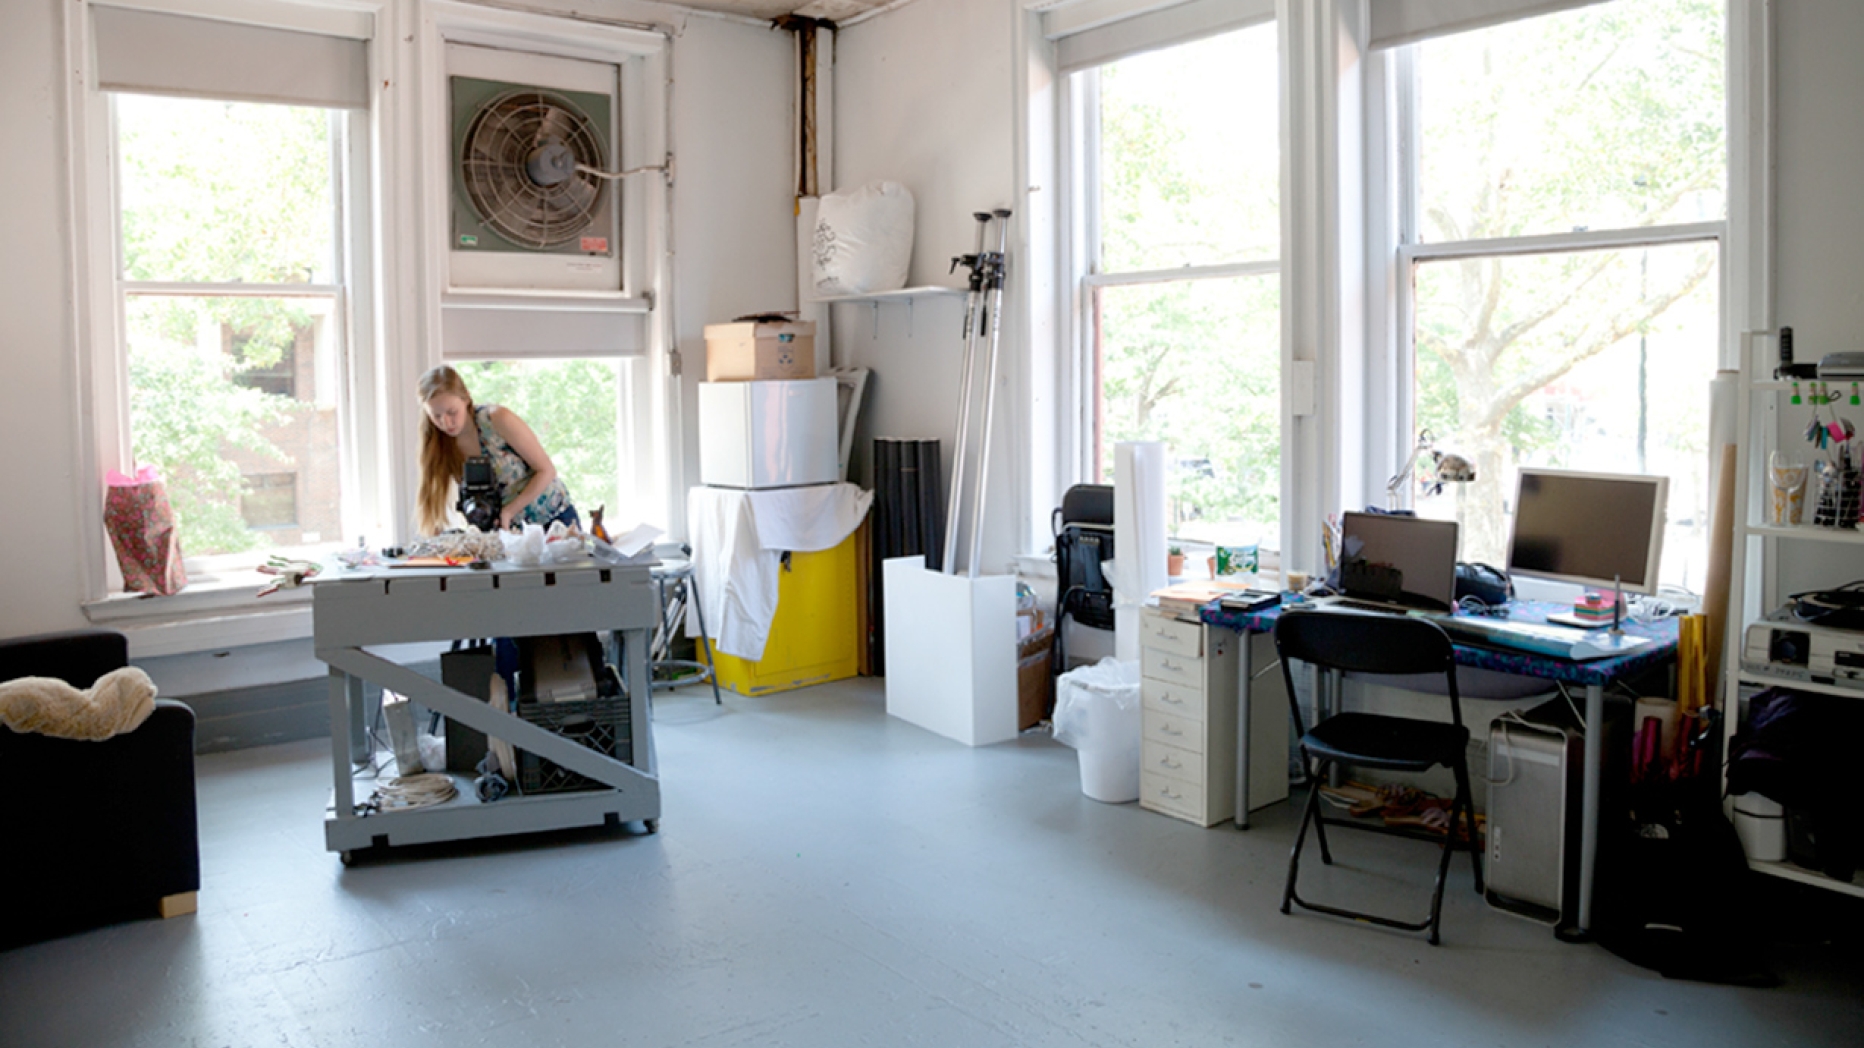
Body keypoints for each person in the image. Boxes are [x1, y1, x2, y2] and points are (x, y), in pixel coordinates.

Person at [415, 365, 578, 535]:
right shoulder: (439, 445)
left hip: (552, 521)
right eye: (437, 416)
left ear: (466, 398)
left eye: (452, 412)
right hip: (506, 533)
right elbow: (433, 506)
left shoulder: (497, 419)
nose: (446, 423)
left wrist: (509, 511)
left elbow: (546, 470)